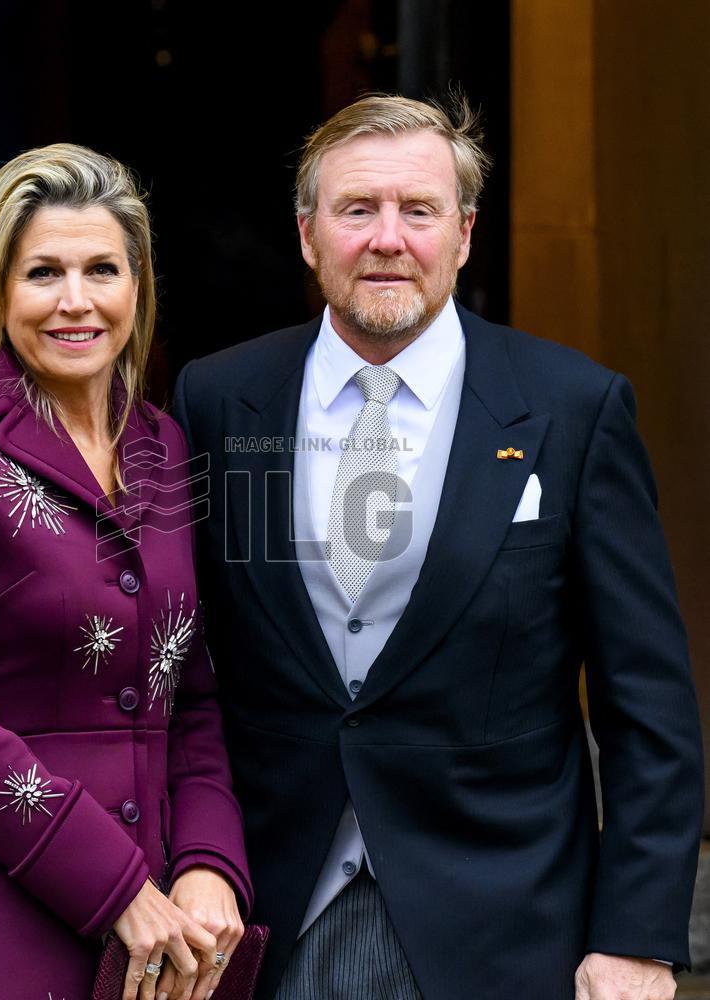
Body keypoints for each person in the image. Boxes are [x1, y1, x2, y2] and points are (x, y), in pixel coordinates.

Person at [173, 95, 703, 1000]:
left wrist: (637, 936)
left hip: (503, 923)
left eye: (418, 210)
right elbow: (183, 666)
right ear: (307, 235)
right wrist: (193, 859)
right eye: (357, 209)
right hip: (264, 913)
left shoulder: (573, 409)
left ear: (463, 234)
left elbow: (646, 703)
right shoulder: (221, 399)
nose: (387, 239)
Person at [0, 143, 251, 1000]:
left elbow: (190, 694)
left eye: (101, 270)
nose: (76, 300)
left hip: (159, 935)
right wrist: (116, 887)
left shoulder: (165, 445)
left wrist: (208, 862)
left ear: (137, 287)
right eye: (44, 273)